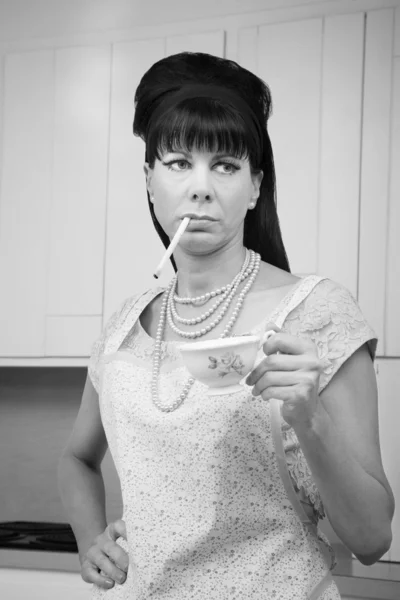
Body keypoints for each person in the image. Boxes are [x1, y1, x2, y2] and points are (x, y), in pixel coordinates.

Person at [57, 52, 395, 600]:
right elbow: (76, 457)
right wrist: (90, 538)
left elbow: (373, 539)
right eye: (177, 163)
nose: (200, 187)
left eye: (225, 165)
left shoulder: (316, 311)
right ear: (148, 180)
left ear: (255, 186)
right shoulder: (125, 325)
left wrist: (311, 419)